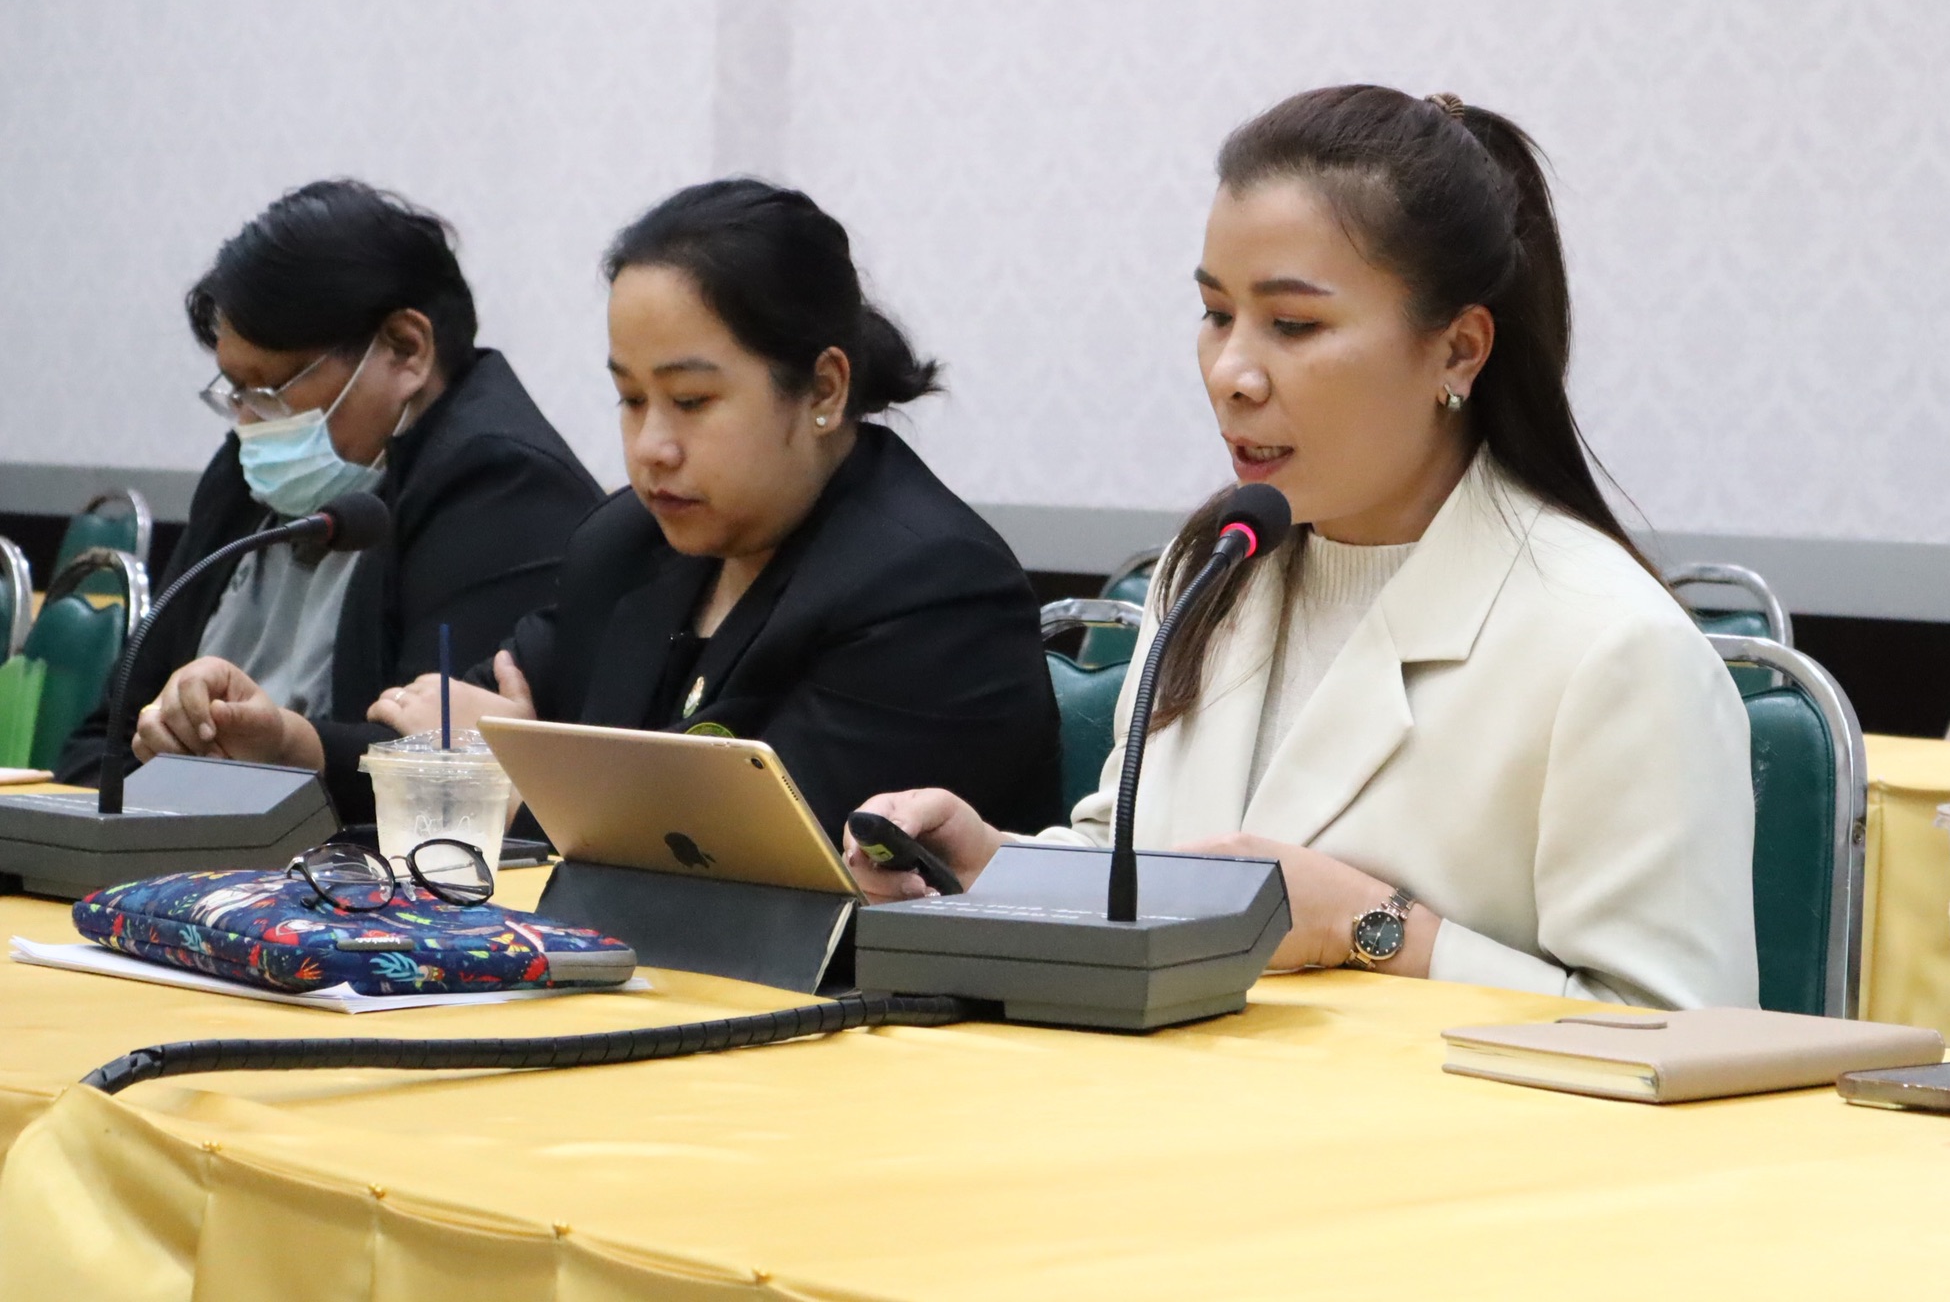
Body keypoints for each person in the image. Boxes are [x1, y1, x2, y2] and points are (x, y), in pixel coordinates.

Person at [847, 87, 1758, 1011]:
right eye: (1216, 314)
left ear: (1458, 351)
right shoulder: (1215, 569)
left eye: (1293, 325)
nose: (1231, 373)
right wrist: (990, 867)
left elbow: (1685, 1042)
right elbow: (1147, 872)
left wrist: (1371, 927)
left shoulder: (1613, 645)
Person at [370, 178, 1062, 838]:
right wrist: (313, 744)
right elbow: (451, 720)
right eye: (631, 399)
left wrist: (527, 780)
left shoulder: (931, 587)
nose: (651, 447)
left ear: (823, 389)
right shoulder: (626, 542)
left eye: (691, 401)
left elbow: (769, 861)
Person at [59, 180, 602, 824]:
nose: (250, 423)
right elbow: (99, 742)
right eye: (237, 391)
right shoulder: (244, 471)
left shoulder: (503, 486)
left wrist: (277, 749)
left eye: (271, 390)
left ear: (405, 348)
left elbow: (434, 766)